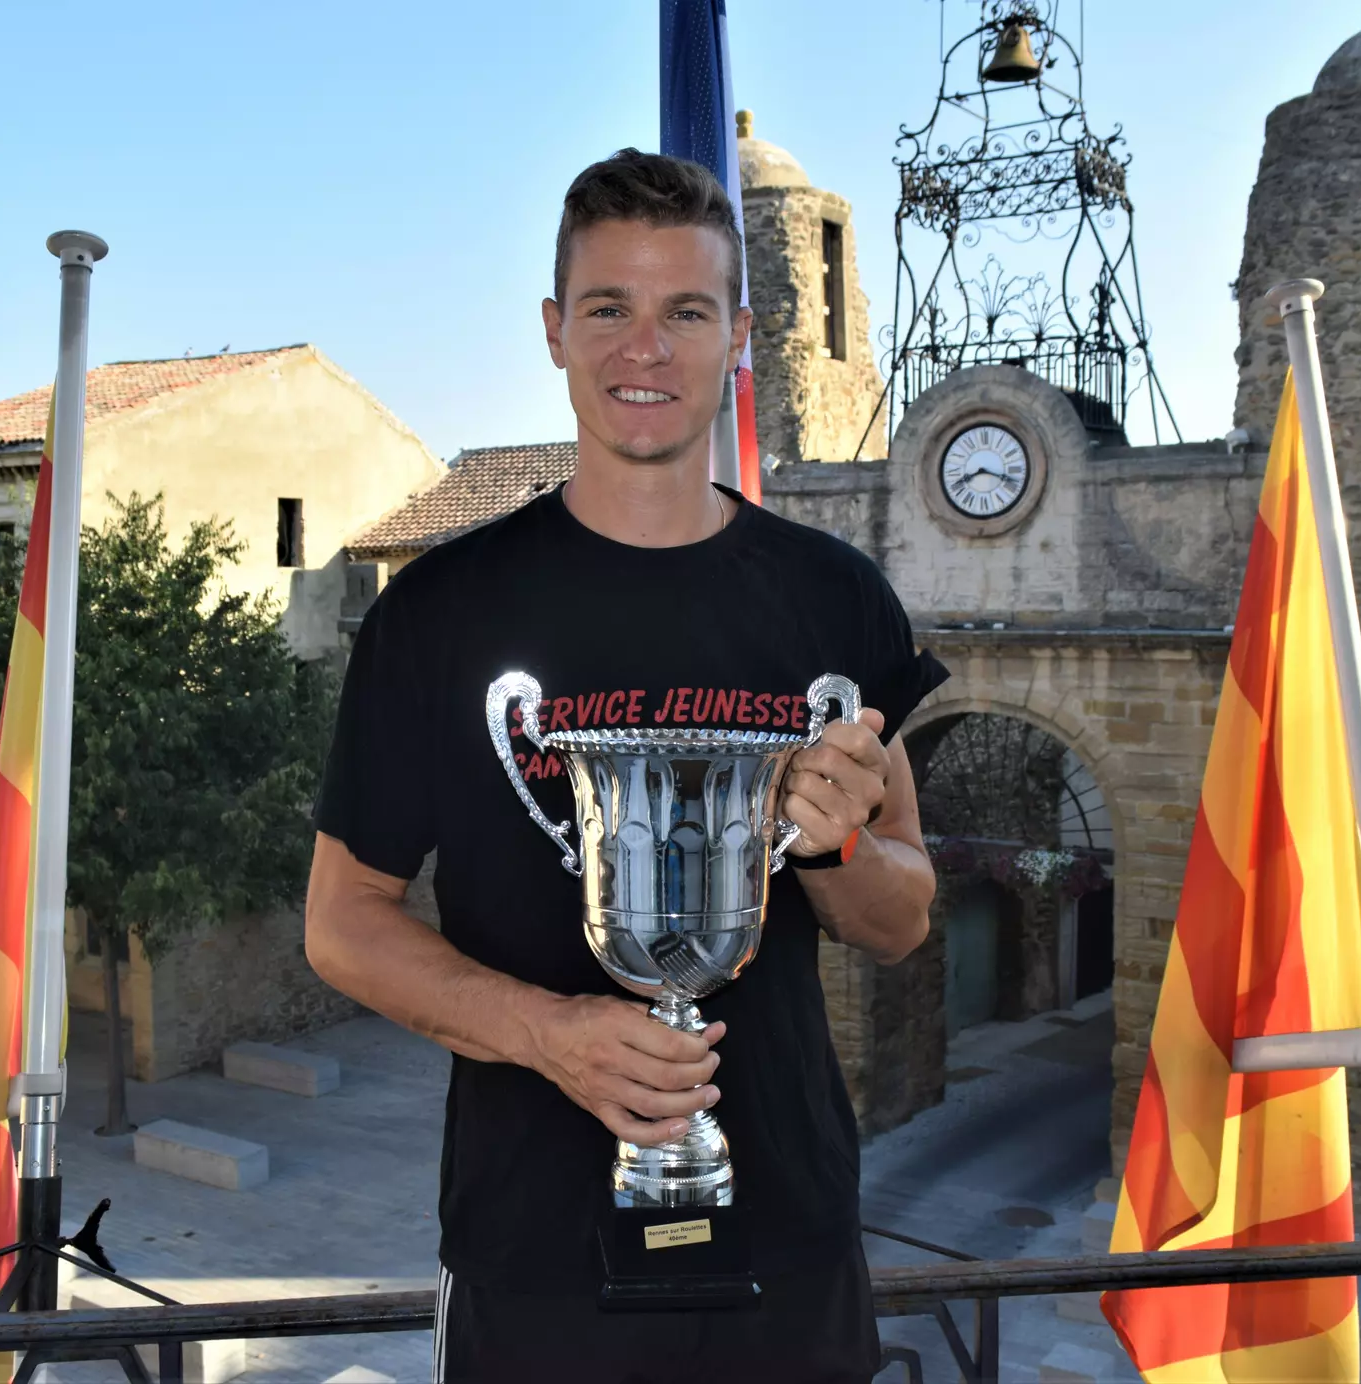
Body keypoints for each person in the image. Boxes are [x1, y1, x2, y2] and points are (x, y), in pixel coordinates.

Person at [306, 148, 948, 1383]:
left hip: (787, 1241)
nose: (642, 349)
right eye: (608, 308)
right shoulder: (436, 613)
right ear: (554, 331)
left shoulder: (836, 600)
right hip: (532, 1259)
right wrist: (551, 1033)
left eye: (684, 312)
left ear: (738, 337)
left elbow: (902, 916)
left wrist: (836, 842)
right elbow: (342, 924)